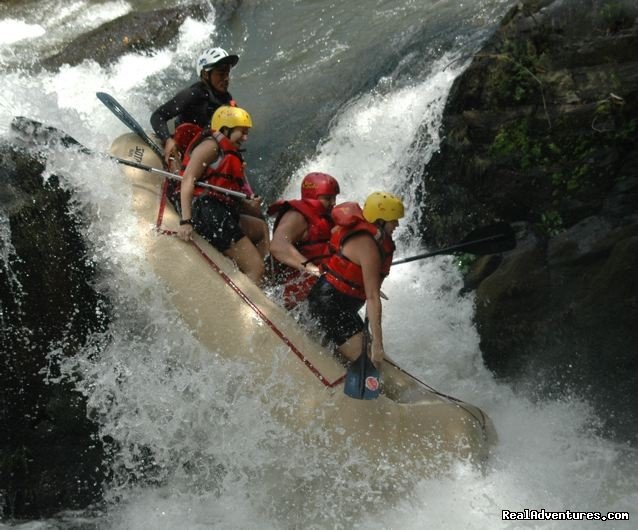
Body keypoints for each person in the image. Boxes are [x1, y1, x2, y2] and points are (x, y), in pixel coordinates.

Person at [306, 191, 404, 369]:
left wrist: (374, 341)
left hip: (337, 304)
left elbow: (370, 294)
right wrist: (378, 345)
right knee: (371, 362)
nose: (397, 224)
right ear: (380, 220)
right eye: (393, 220)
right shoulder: (368, 246)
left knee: (364, 355)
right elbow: (372, 298)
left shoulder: (376, 241)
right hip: (330, 303)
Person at [176, 105, 269, 285]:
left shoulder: (231, 153)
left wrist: (249, 206)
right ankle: (250, 289)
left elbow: (226, 194)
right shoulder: (211, 146)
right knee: (255, 267)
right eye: (242, 132)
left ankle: (260, 284)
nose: (245, 137)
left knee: (261, 228)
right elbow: (187, 179)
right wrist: (186, 221)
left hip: (221, 210)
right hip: (206, 211)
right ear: (226, 129)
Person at [151, 47, 239, 168]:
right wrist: (167, 140)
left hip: (205, 156)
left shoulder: (227, 101)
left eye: (227, 73)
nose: (226, 78)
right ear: (205, 74)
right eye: (221, 73)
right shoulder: (193, 94)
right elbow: (158, 116)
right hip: (182, 151)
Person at [267, 172, 340, 309]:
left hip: (313, 295)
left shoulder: (327, 220)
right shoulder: (296, 216)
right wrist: (314, 270)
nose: (333, 203)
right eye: (328, 198)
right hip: (286, 295)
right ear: (313, 196)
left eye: (335, 198)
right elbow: (278, 246)